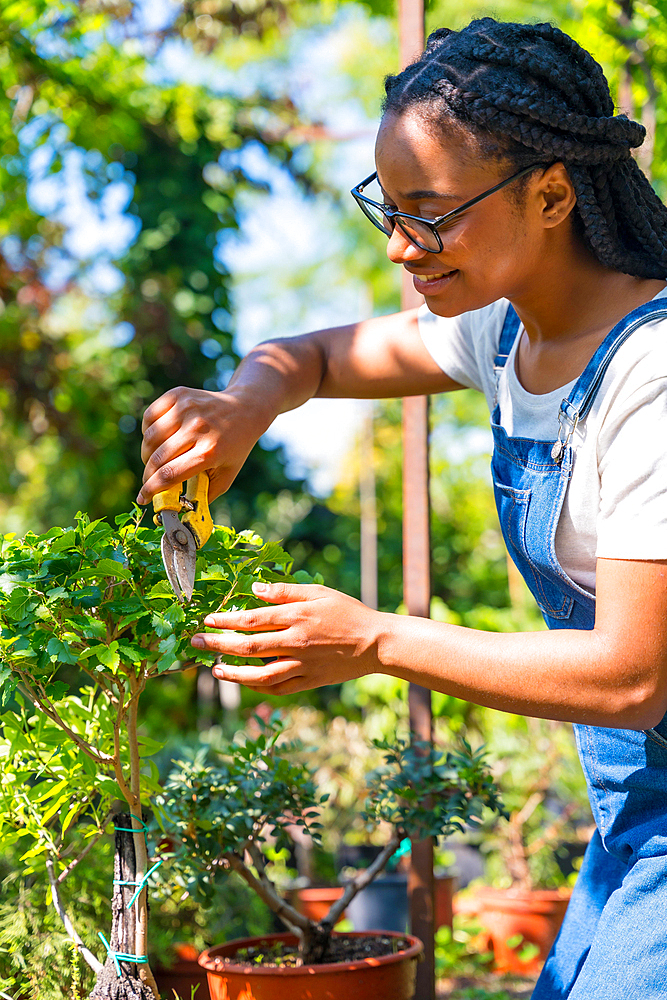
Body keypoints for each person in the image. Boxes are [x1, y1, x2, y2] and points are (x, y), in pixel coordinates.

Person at [139, 18, 667, 998]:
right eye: (387, 205)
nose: (398, 246)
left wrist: (374, 640)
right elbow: (316, 355)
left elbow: (631, 676)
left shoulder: (650, 371)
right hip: (632, 822)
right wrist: (246, 403)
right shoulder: (502, 337)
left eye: (429, 209)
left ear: (550, 192)